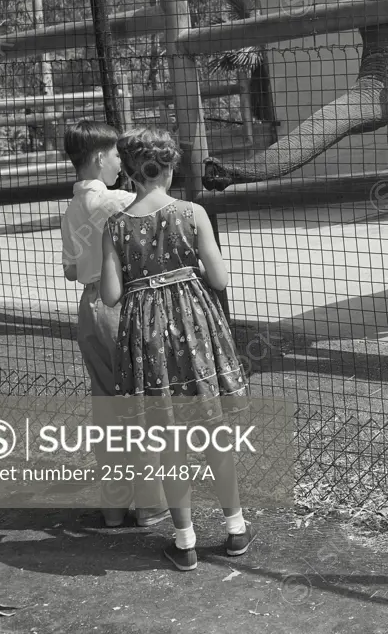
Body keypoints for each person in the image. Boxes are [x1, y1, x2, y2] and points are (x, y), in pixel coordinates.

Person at [99, 127, 251, 572]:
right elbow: (220, 281)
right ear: (169, 169)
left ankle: (184, 542)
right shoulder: (192, 212)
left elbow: (110, 295)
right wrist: (191, 268)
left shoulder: (116, 225)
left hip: (147, 340)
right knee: (213, 432)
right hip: (195, 328)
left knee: (169, 441)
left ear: (127, 172)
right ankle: (236, 530)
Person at [60, 120, 168, 530]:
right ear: (100, 157)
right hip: (122, 305)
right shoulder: (120, 200)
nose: (120, 162)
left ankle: (113, 507)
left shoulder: (70, 209)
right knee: (140, 404)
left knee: (106, 407)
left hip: (88, 309)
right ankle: (151, 505)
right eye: (117, 156)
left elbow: (72, 271)